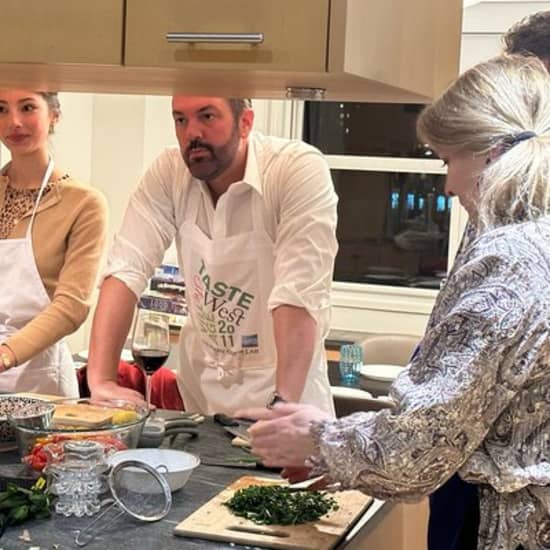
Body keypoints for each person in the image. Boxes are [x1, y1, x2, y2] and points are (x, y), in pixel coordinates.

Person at [236, 54, 550, 550]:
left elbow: (420, 450)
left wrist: (319, 440)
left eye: (448, 161)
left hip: (506, 527)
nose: (446, 185)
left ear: (490, 154)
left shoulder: (509, 258)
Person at [86, 97, 338, 415]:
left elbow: (298, 292)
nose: (193, 133)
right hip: (202, 400)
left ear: (245, 122)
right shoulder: (169, 172)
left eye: (207, 116)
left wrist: (283, 405)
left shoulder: (293, 169)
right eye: (181, 120)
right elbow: (126, 268)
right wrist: (102, 378)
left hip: (289, 397)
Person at [0, 90, 108, 396]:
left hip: (41, 381)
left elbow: (71, 306)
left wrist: (6, 353)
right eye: (2, 109)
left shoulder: (84, 203)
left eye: (28, 107)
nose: (14, 122)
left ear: (54, 116)